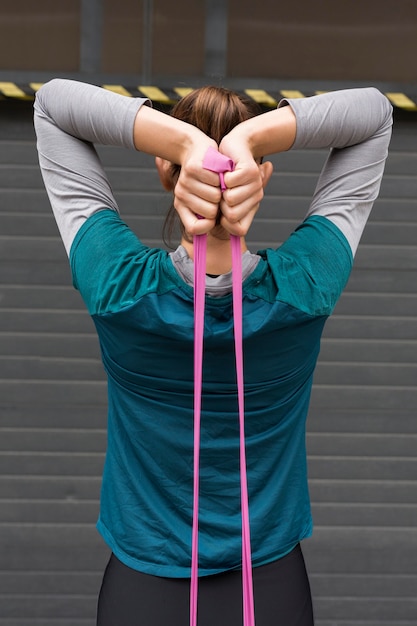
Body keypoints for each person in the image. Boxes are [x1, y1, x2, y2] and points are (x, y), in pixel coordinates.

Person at [34, 79, 392, 626]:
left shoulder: (116, 284)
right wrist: (254, 140)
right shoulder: (305, 286)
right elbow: (374, 114)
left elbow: (53, 105)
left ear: (163, 172)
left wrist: (180, 146)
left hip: (142, 587)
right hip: (268, 584)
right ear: (263, 175)